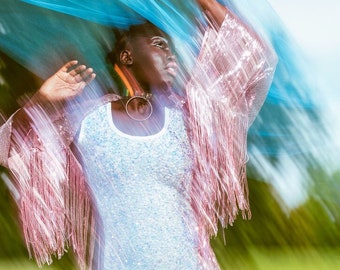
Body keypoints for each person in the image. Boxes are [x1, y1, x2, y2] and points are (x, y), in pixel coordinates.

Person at [0, 0, 277, 269]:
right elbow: (9, 147)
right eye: (159, 45)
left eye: (171, 49)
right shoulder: (88, 122)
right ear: (127, 56)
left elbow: (255, 61)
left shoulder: (191, 119)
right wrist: (41, 100)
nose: (170, 55)